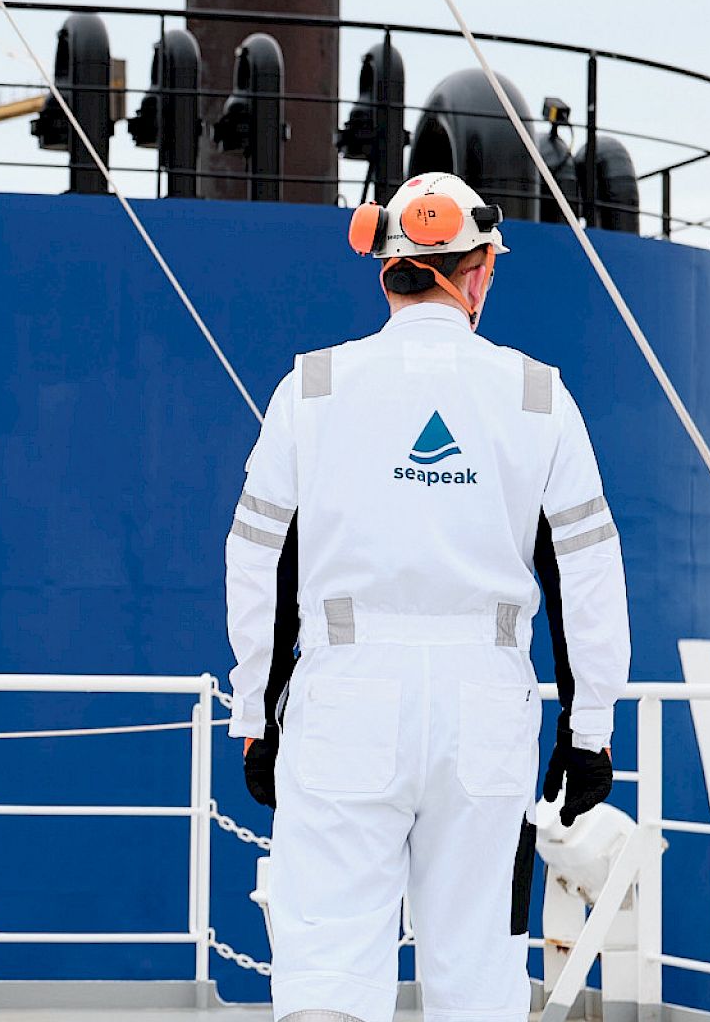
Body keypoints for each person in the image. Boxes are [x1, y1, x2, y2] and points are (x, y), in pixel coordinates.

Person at [223, 173, 630, 1022]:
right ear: (476, 270)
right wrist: (588, 733)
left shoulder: (314, 387)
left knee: (329, 966)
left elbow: (259, 560)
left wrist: (256, 713)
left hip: (344, 702)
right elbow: (586, 573)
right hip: (486, 710)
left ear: (387, 269)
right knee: (476, 969)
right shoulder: (537, 396)